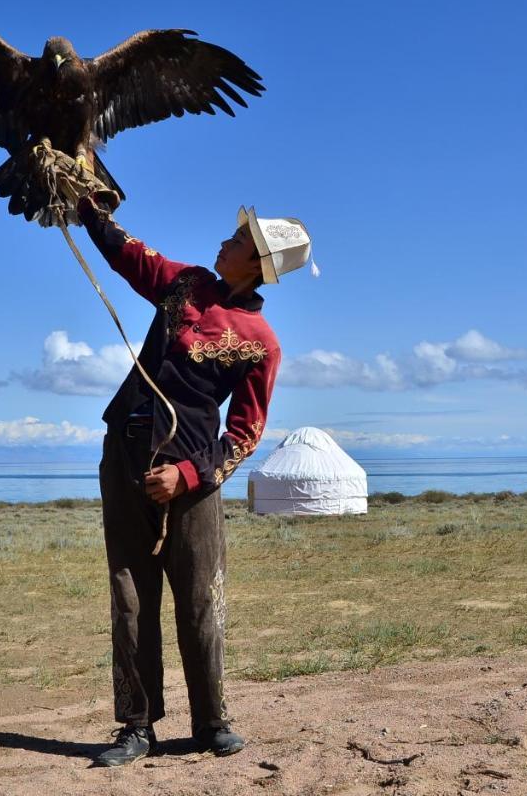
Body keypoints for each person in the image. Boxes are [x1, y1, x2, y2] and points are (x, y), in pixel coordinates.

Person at [76, 191, 313, 766]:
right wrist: (83, 201)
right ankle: (135, 726)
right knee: (130, 595)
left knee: (201, 598)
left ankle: (211, 721)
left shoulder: (261, 341)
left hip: (193, 479)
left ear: (257, 263)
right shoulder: (187, 283)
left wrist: (186, 475)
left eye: (237, 241)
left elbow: (246, 432)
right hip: (126, 457)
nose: (224, 242)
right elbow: (130, 255)